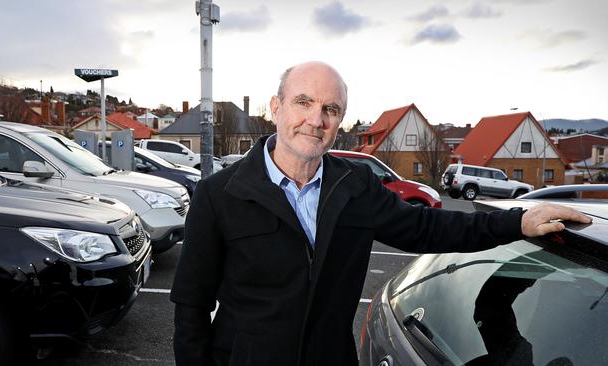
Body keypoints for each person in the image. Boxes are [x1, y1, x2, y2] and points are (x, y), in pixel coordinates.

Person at [170, 61, 591, 366]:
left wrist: (516, 221)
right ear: (275, 108)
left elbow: (428, 227)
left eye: (330, 109)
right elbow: (191, 306)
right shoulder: (218, 195)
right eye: (303, 102)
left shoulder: (354, 186)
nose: (315, 120)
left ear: (340, 121)